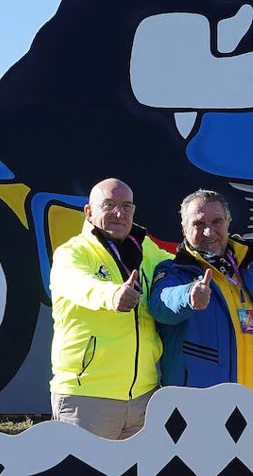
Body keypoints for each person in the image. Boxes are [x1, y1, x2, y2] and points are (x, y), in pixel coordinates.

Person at [49, 178, 171, 439]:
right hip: (87, 395)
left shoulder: (146, 248)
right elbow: (81, 285)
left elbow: (176, 267)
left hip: (144, 395)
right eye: (109, 205)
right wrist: (114, 295)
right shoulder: (71, 253)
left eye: (126, 206)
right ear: (89, 211)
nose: (119, 213)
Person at [148, 190, 253, 409]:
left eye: (217, 221)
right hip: (198, 412)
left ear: (229, 223)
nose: (209, 231)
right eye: (198, 224)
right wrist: (188, 296)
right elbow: (160, 306)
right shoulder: (174, 271)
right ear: (184, 228)